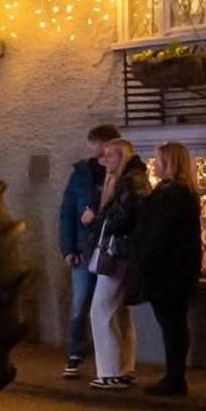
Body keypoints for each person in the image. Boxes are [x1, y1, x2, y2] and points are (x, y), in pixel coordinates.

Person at [133, 142, 203, 396]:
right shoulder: (178, 192)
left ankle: (175, 378)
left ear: (169, 163)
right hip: (174, 271)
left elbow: (160, 234)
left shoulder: (173, 194)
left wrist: (145, 259)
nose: (155, 164)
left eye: (158, 160)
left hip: (169, 272)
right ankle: (174, 375)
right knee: (173, 325)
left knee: (173, 326)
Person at [85, 138, 149, 390]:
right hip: (122, 251)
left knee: (101, 310)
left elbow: (122, 218)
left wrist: (97, 219)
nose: (106, 160)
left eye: (111, 155)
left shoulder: (129, 181)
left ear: (122, 156)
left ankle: (110, 371)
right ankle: (123, 369)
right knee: (119, 311)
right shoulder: (130, 180)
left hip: (117, 252)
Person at [59, 124, 120, 378]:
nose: (90, 148)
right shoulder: (81, 174)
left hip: (108, 247)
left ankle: (106, 359)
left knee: (107, 305)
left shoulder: (118, 171)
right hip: (85, 248)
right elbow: (67, 211)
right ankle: (75, 352)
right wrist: (68, 247)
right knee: (80, 301)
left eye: (93, 142)